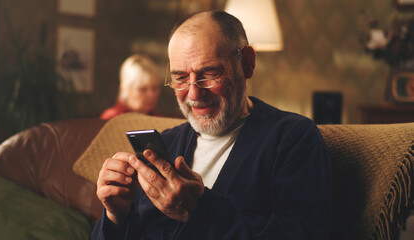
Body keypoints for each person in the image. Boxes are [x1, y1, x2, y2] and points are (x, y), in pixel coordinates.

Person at [93, 10, 332, 239]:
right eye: (180, 78)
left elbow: (303, 234)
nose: (194, 93)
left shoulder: (292, 139)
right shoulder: (166, 143)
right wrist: (117, 215)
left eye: (209, 74)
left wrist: (198, 210)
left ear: (247, 63)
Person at [100, 54, 162, 120]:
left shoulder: (159, 119)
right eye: (143, 89)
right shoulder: (111, 119)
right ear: (124, 89)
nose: (151, 95)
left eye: (155, 88)